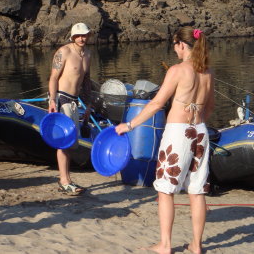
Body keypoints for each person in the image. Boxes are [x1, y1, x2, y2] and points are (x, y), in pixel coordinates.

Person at [115, 27, 214, 254]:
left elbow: (156, 104)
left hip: (178, 133)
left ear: (181, 44)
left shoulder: (178, 70)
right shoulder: (208, 72)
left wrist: (129, 125)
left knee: (165, 190)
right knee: (197, 191)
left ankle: (165, 245)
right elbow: (210, 106)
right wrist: (197, 123)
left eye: (174, 44)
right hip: (200, 131)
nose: (174, 49)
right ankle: (196, 246)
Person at [48, 22, 92, 195]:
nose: (82, 38)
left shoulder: (88, 54)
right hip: (61, 97)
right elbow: (53, 77)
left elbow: (86, 79)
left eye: (85, 35)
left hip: (75, 100)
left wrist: (88, 103)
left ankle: (65, 179)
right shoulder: (64, 52)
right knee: (64, 141)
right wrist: (52, 100)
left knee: (71, 141)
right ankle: (64, 181)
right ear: (73, 37)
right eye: (78, 36)